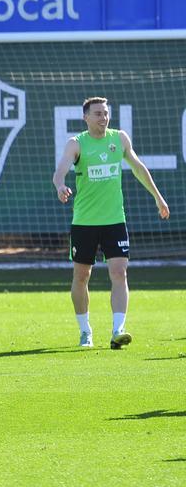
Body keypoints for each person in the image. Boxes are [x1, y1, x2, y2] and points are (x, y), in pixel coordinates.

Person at [53, 96, 170, 349]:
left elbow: (138, 168)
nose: (103, 118)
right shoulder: (77, 144)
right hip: (84, 222)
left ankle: (118, 330)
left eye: (105, 113)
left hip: (115, 220)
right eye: (97, 113)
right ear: (86, 117)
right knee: (82, 276)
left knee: (119, 272)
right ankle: (85, 331)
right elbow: (60, 170)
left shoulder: (119, 139)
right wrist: (61, 185)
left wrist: (158, 198)